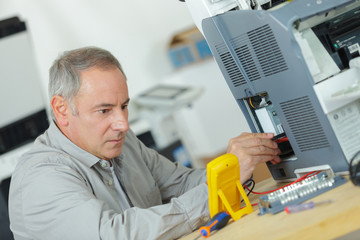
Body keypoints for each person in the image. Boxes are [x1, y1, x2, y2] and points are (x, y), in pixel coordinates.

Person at [8, 46, 280, 240]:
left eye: (124, 106)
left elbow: (183, 184)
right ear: (62, 109)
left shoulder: (122, 143)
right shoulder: (41, 177)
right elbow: (114, 234)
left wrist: (233, 167)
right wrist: (214, 194)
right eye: (104, 110)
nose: (123, 124)